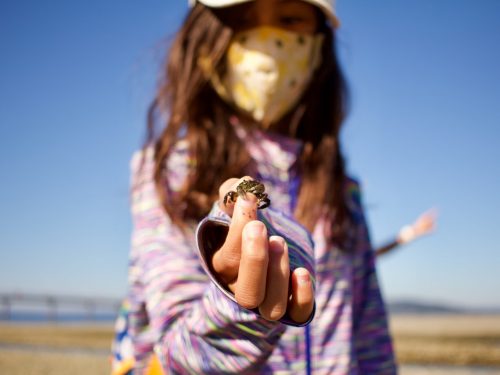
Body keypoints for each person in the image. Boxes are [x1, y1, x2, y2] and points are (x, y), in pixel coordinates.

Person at [111, 0, 397, 373]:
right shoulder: (170, 172)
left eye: (290, 19)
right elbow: (171, 357)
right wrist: (238, 310)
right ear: (204, 43)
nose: (268, 43)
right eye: (242, 20)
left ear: (319, 44)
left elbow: (371, 339)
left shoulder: (343, 193)